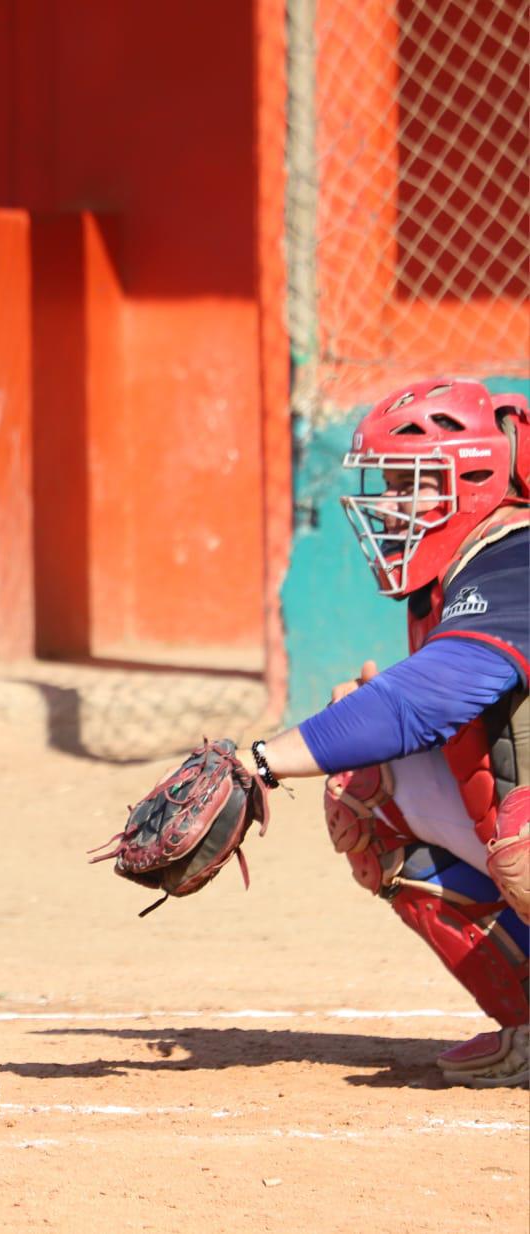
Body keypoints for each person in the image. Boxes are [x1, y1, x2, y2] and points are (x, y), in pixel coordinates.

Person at [243, 378, 529, 1088]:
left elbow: (434, 698)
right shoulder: (468, 566)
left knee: (523, 834)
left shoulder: (518, 556)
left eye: (412, 483)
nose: (393, 505)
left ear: (476, 479)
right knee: (369, 788)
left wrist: (260, 761)